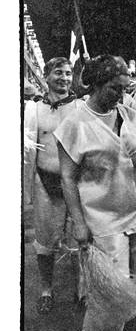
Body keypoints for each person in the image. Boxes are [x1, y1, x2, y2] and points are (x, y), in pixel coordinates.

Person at [55, 55, 136, 331]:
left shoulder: (126, 112)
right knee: (111, 282)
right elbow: (67, 177)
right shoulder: (75, 122)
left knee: (120, 278)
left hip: (129, 208)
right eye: (113, 89)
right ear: (95, 84)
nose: (120, 95)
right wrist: (79, 223)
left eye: (124, 88)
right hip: (98, 214)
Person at [24, 57, 83, 315]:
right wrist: (27, 190)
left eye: (69, 73)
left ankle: (81, 291)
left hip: (77, 185)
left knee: (79, 242)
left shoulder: (80, 107)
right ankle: (46, 290)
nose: (65, 78)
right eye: (58, 72)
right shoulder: (34, 110)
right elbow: (28, 152)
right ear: (46, 76)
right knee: (44, 243)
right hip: (45, 183)